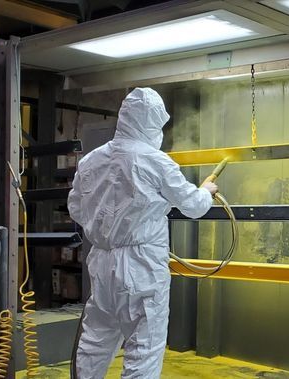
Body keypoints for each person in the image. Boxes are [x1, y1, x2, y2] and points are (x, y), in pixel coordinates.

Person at [67, 87, 217, 378]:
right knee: (143, 348)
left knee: (96, 340)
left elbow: (75, 207)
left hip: (102, 263)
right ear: (151, 123)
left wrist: (108, 225)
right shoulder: (155, 160)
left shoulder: (91, 161)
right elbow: (194, 206)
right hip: (142, 266)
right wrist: (207, 191)